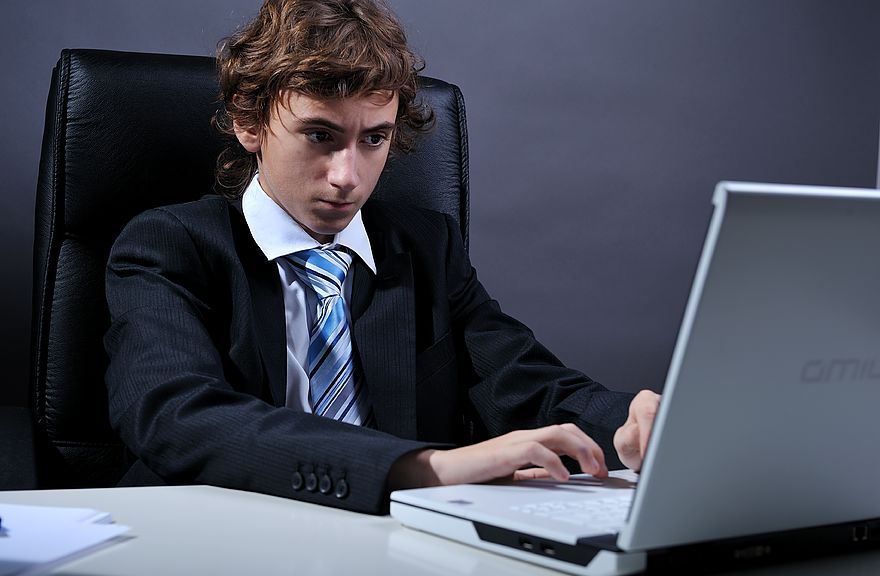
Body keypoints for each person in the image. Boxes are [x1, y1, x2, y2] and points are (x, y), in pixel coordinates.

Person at [104, 0, 660, 515]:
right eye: (319, 135)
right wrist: (423, 468)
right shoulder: (169, 245)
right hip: (212, 539)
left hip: (391, 547)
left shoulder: (426, 247)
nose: (348, 178)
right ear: (250, 123)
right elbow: (175, 416)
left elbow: (528, 386)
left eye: (374, 139)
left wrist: (629, 424)